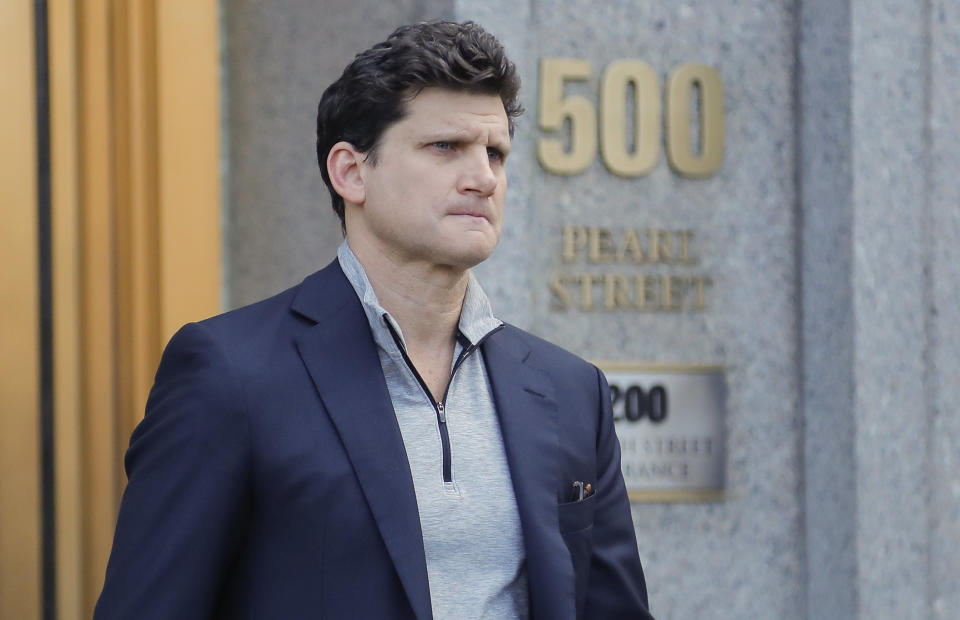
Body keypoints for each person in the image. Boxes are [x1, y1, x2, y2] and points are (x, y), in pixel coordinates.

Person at [95, 20, 653, 620]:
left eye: (495, 152)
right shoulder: (230, 373)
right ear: (351, 172)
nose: (483, 178)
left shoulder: (571, 389)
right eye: (445, 147)